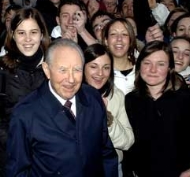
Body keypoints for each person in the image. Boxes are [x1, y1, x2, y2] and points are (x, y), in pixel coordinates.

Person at [6, 39, 118, 176]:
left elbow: (106, 153)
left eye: (77, 70)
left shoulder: (93, 98)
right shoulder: (25, 114)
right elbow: (17, 172)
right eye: (63, 70)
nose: (71, 79)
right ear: (47, 70)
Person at [123, 40, 190, 177]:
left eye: (160, 64)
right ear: (139, 66)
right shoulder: (131, 100)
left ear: (170, 68)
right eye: (147, 63)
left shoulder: (189, 99)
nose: (153, 70)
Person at [0, 8, 50, 175]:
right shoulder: (3, 70)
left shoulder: (55, 66)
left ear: (42, 33)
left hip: (49, 155)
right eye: (21, 33)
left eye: (33, 32)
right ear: (13, 35)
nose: (28, 39)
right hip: (12, 154)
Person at [84, 43, 135, 176]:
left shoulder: (116, 95)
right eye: (93, 67)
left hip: (110, 167)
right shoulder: (70, 95)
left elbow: (128, 142)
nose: (100, 73)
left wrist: (107, 118)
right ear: (82, 67)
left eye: (106, 67)